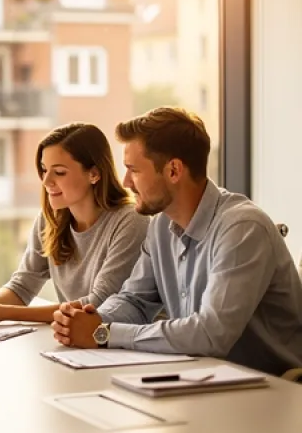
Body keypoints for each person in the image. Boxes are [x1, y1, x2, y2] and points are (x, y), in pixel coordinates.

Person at [51, 107, 302, 376]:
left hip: (273, 390)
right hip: (205, 378)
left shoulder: (242, 228)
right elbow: (135, 300)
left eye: (133, 170)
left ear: (173, 170)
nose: (125, 182)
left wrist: (104, 333)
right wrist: (92, 319)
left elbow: (210, 334)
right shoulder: (161, 225)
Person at [0, 123, 149, 326]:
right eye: (44, 170)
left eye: (59, 172)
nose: (46, 181)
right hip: (80, 342)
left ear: (94, 174)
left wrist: (4, 313)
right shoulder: (50, 219)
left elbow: (97, 304)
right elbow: (21, 287)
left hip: (129, 348)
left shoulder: (130, 221)